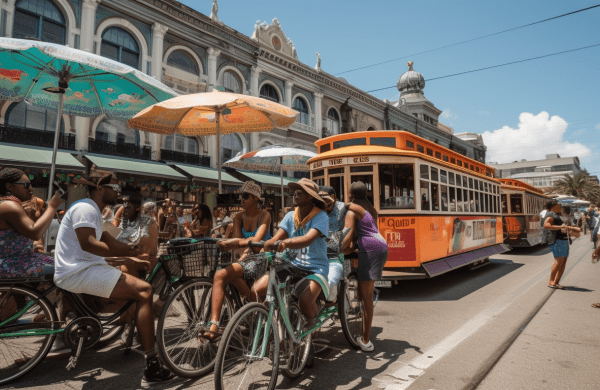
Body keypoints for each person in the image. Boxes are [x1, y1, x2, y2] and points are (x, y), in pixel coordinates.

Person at [53, 169, 174, 385]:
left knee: (134, 281)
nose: (118, 192)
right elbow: (89, 243)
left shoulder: (93, 211)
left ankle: (104, 320)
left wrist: (131, 253)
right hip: (78, 272)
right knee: (145, 291)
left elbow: (109, 240)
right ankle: (153, 365)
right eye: (114, 188)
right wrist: (127, 254)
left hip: (83, 268)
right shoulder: (85, 208)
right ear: (99, 188)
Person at [204, 181, 272, 341]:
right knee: (221, 274)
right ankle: (214, 324)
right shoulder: (238, 217)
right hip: (246, 260)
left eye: (246, 196)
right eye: (240, 196)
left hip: (263, 258)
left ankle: (251, 311)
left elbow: (256, 242)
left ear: (256, 198)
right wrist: (234, 250)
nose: (242, 199)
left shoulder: (265, 215)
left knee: (225, 276)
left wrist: (235, 244)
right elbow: (236, 242)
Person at [263, 178, 330, 329]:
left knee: (305, 301)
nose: (295, 195)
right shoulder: (289, 216)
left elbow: (307, 239)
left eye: (300, 192)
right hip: (291, 264)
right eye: (294, 192)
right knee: (258, 289)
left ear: (310, 196)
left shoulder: (321, 216)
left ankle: (312, 324)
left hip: (315, 268)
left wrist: (286, 243)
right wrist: (267, 244)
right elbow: (276, 238)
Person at [342, 181, 388, 352]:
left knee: (366, 296)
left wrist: (337, 248)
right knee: (365, 291)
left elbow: (347, 238)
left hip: (370, 249)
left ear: (351, 195)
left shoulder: (352, 211)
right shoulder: (371, 208)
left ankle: (366, 341)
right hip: (380, 245)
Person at [0, 167, 63, 278]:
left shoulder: (10, 204)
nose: (30, 188)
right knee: (66, 268)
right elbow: (34, 232)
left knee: (63, 263)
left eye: (30, 184)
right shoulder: (8, 206)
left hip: (22, 259)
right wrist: (53, 206)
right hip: (12, 264)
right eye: (25, 185)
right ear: (9, 186)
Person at [319, 185, 347, 303]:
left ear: (332, 197)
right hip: (319, 250)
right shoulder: (318, 209)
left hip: (336, 251)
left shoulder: (343, 208)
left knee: (331, 281)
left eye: (324, 198)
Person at [543, 200, 580, 290]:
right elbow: (546, 225)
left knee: (563, 262)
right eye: (559, 206)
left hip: (563, 240)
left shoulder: (556, 215)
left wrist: (568, 230)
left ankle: (556, 282)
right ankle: (551, 281)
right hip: (557, 241)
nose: (561, 208)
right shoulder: (551, 215)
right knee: (558, 261)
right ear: (554, 207)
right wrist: (565, 227)